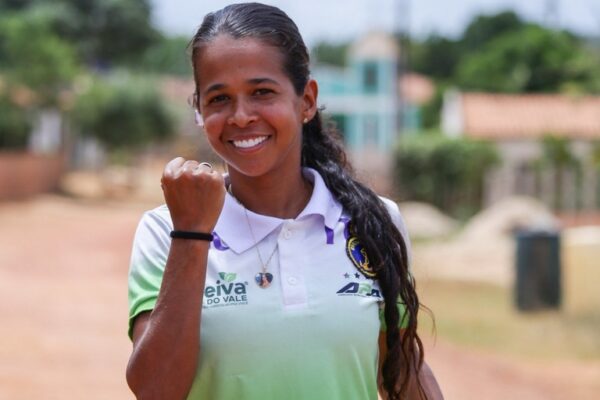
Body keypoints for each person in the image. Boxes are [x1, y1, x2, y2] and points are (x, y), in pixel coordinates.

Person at [125, 3, 444, 400]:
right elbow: (155, 391)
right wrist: (191, 234)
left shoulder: (373, 222)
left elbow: (402, 371)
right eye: (219, 98)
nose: (241, 116)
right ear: (199, 110)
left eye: (262, 92)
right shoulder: (166, 230)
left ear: (306, 100)